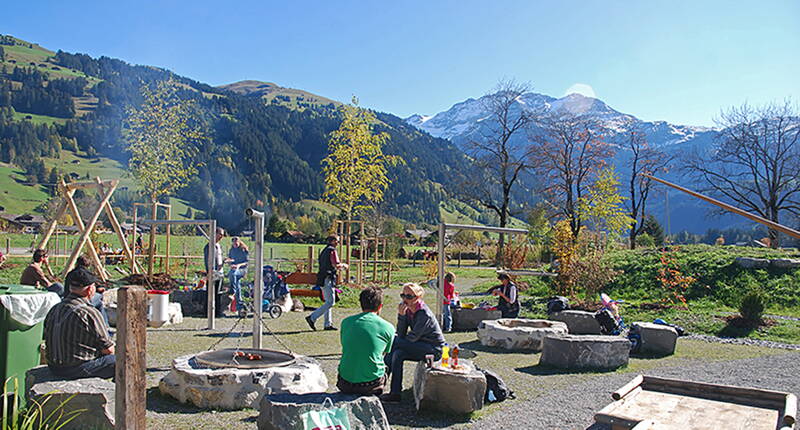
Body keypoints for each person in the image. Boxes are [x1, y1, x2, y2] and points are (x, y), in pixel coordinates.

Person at [44, 266, 115, 379]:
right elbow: (108, 349)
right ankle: (122, 395)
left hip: (54, 367)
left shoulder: (55, 309)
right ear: (90, 290)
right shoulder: (89, 312)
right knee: (121, 360)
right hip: (75, 369)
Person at [380, 283, 446, 403]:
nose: (405, 299)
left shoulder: (423, 313)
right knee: (397, 354)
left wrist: (393, 340)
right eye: (403, 295)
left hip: (433, 349)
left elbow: (412, 338)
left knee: (394, 343)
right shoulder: (409, 310)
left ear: (417, 298)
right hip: (419, 345)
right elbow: (401, 334)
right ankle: (395, 393)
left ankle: (379, 381)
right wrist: (401, 316)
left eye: (409, 296)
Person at [337, 286, 395, 396]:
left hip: (345, 382)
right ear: (380, 306)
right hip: (371, 384)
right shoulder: (388, 327)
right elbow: (385, 352)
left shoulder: (346, 322)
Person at [306, 235, 347, 331]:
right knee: (331, 302)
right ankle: (312, 318)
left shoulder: (324, 251)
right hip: (327, 278)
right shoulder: (332, 250)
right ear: (332, 241)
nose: (338, 243)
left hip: (322, 278)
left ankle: (327, 324)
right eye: (337, 241)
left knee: (328, 301)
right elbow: (335, 264)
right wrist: (344, 265)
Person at [65, 255, 110, 327]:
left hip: (68, 296)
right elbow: (95, 284)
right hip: (81, 298)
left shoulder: (70, 273)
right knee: (99, 301)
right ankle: (105, 325)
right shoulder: (87, 274)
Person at [200, 227, 226, 318]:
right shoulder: (209, 246)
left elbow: (218, 259)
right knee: (210, 293)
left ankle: (218, 312)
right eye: (220, 234)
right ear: (215, 234)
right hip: (212, 272)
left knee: (218, 293)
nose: (221, 237)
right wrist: (209, 272)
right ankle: (207, 312)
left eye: (223, 235)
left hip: (220, 272)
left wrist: (224, 261)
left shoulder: (219, 246)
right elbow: (208, 260)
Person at [226, 237, 249, 315]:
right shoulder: (231, 250)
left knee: (232, 274)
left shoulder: (243, 250)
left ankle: (232, 291)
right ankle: (240, 304)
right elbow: (231, 259)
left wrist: (238, 265)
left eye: (236, 243)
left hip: (242, 269)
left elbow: (246, 262)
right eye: (234, 243)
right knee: (237, 284)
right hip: (234, 269)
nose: (235, 244)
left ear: (239, 242)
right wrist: (228, 261)